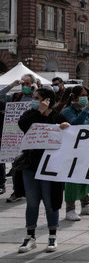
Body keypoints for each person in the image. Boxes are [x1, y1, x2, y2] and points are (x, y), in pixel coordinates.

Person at [16, 87, 70, 253]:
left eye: (37, 98)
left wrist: (66, 128)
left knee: (50, 201)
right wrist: (39, 112)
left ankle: (52, 235)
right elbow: (23, 125)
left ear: (47, 101)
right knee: (32, 202)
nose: (34, 100)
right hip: (31, 166)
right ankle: (30, 236)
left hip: (50, 168)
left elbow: (69, 137)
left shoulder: (58, 117)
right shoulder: (30, 115)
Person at [60, 85, 89, 221]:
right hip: (73, 151)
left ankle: (85, 205)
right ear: (74, 97)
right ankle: (70, 209)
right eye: (82, 95)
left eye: (86, 95)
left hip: (88, 150)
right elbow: (75, 124)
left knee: (87, 177)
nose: (85, 98)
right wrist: (86, 108)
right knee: (73, 180)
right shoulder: (68, 111)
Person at [2, 74, 38, 203]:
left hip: (33, 136)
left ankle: (31, 190)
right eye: (23, 84)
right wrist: (11, 85)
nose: (25, 86)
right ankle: (17, 192)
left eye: (28, 84)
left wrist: (36, 90)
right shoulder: (16, 97)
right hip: (16, 136)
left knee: (31, 164)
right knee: (16, 165)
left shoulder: (37, 96)